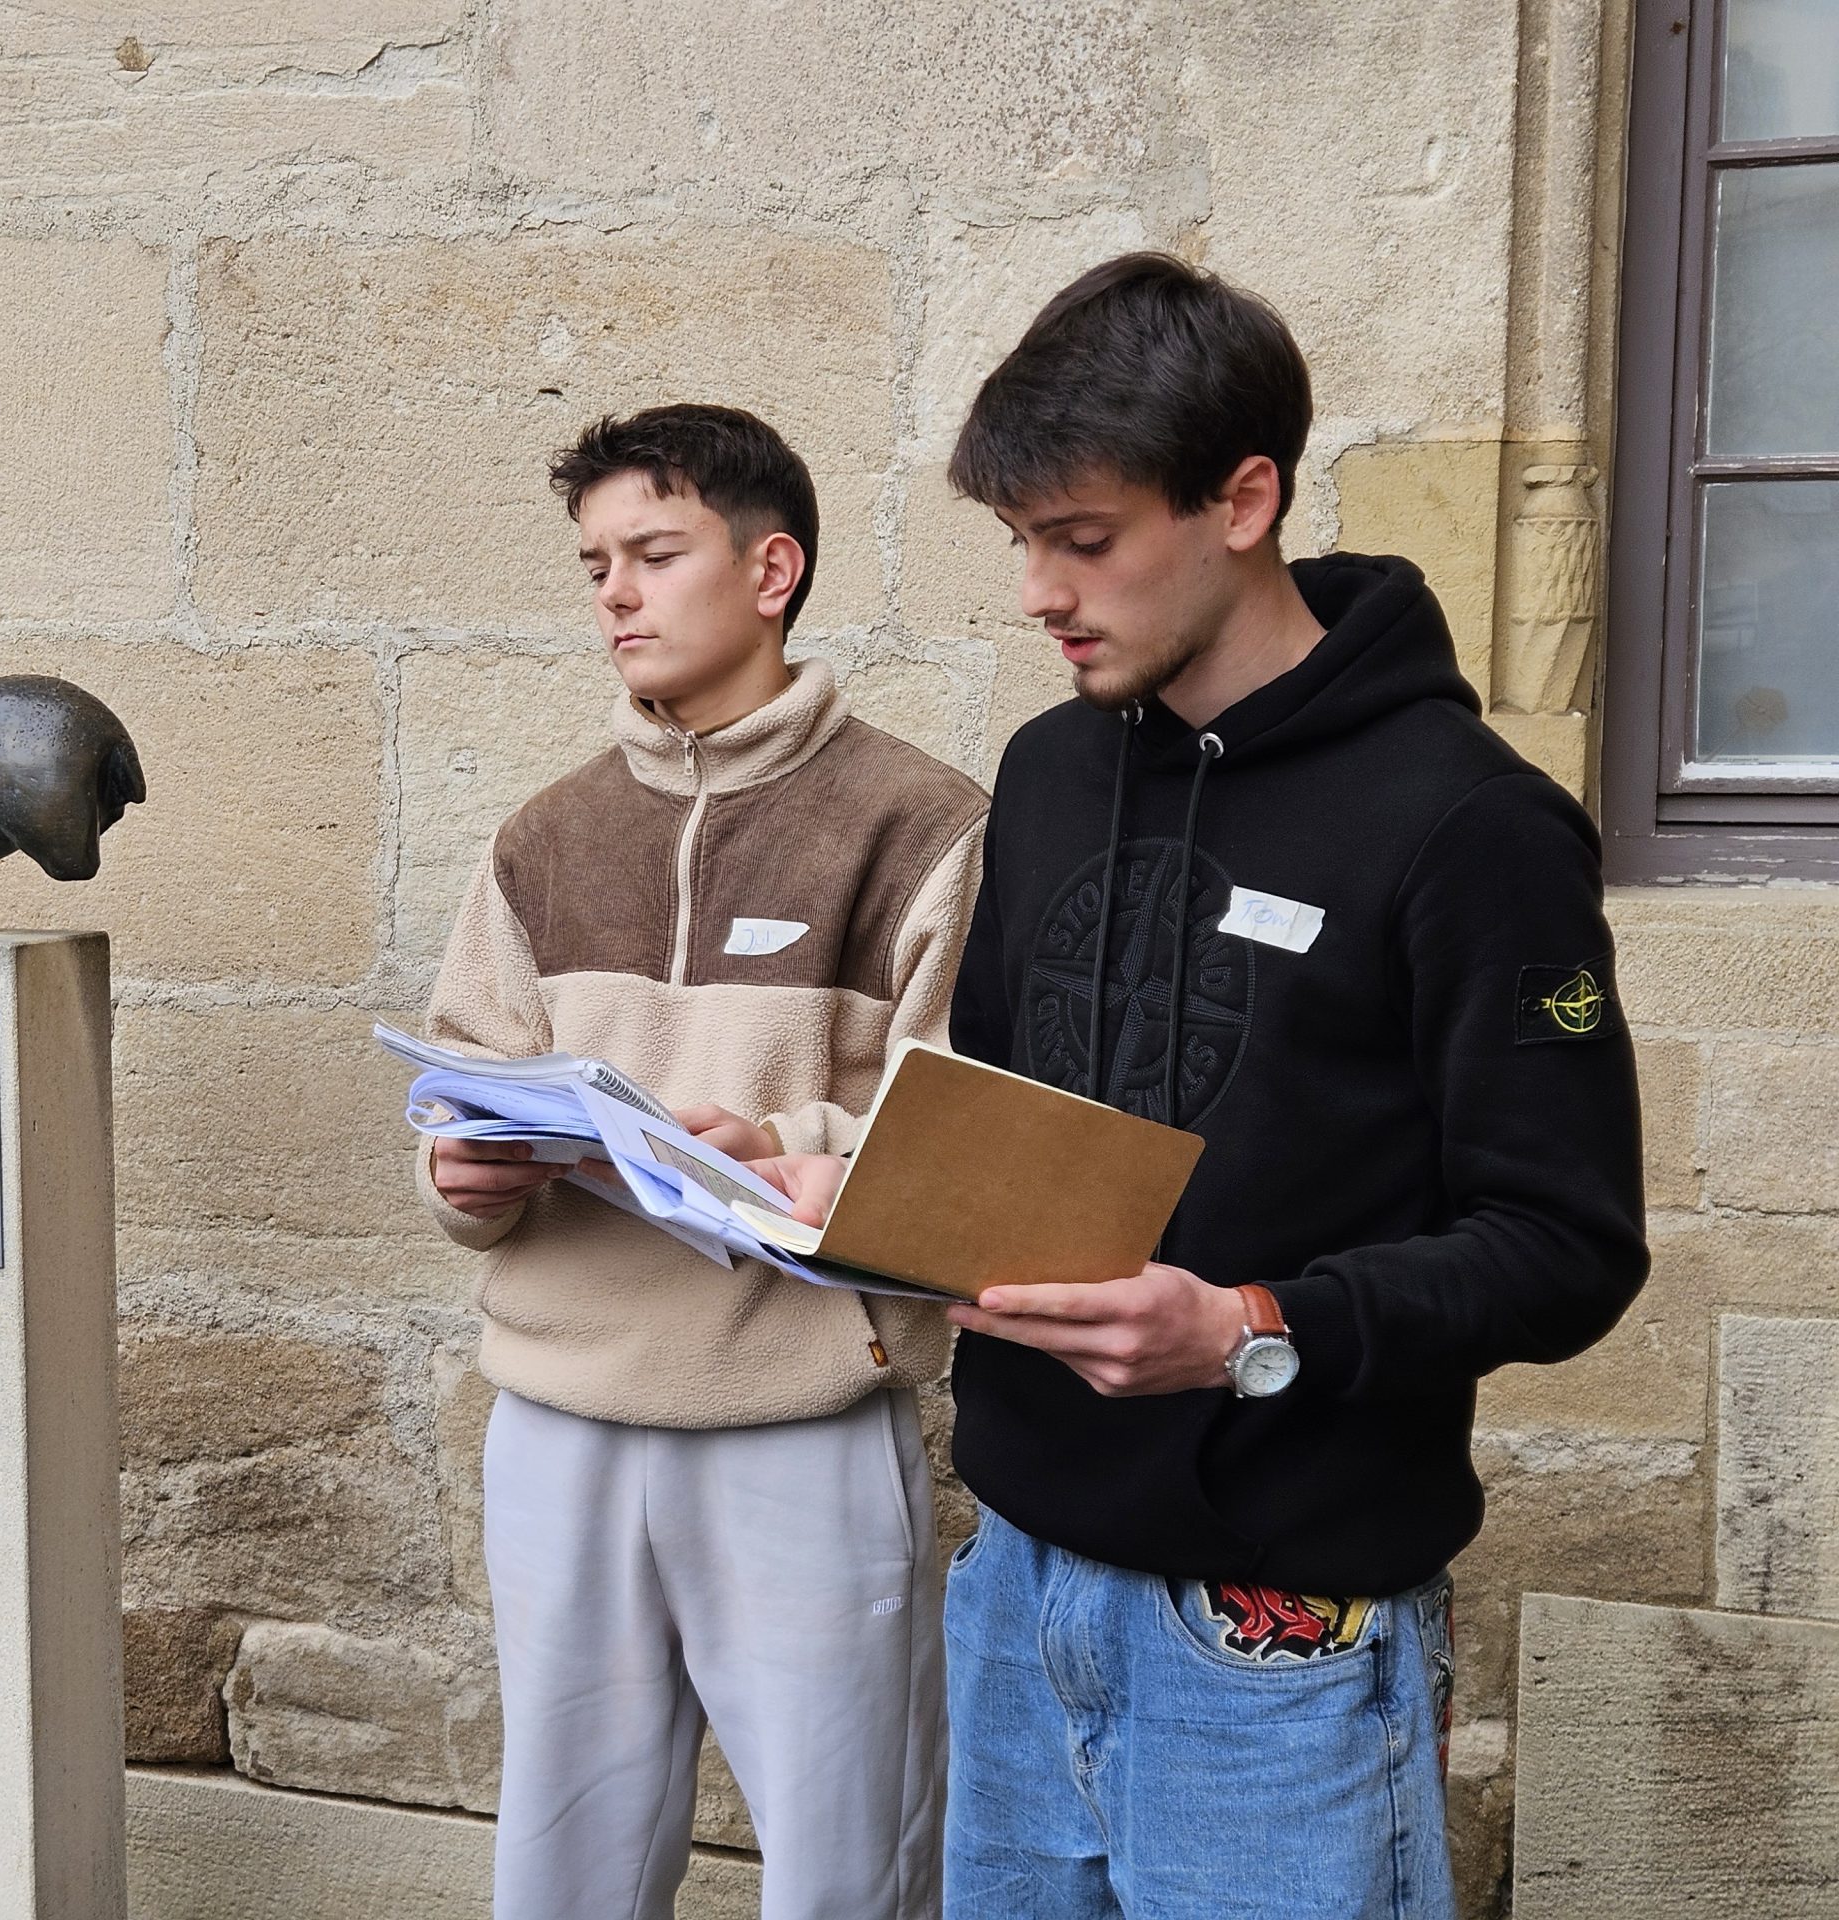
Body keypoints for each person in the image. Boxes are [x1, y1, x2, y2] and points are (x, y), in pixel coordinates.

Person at [756, 255, 1649, 1917]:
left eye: (1081, 541)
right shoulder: (1046, 769)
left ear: (1246, 499)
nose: (1039, 589)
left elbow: (1567, 1245)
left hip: (1280, 1642)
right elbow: (1010, 1137)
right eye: (1022, 541)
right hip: (1017, 1589)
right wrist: (844, 1196)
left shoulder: (1472, 828)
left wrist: (1250, 1327)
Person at [417, 402, 988, 1920]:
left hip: (798, 1407)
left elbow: (968, 1134)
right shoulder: (543, 838)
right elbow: (461, 1081)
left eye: (653, 553)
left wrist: (784, 1144)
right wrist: (463, 1181)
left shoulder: (921, 824)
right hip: (560, 1416)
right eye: (594, 561)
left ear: (771, 568)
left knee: (846, 1862)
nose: (613, 591)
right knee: (562, 1862)